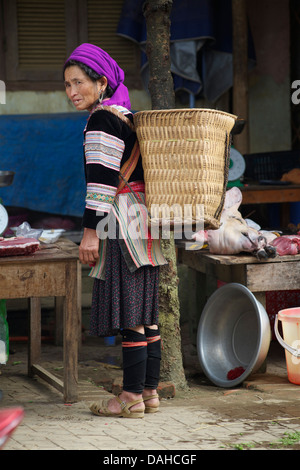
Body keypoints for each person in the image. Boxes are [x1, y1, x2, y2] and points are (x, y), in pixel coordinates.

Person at [63, 44, 167, 418]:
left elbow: (102, 185)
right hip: (142, 218)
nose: (73, 91)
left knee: (130, 312)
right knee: (145, 311)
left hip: (119, 220)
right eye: (68, 85)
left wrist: (90, 233)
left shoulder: (101, 120)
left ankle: (129, 397)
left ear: (101, 81)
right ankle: (148, 392)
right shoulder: (126, 115)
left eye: (79, 82)